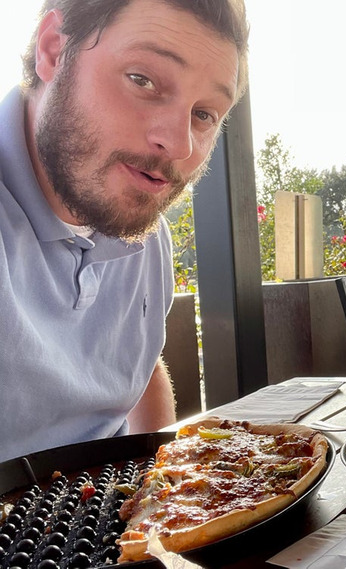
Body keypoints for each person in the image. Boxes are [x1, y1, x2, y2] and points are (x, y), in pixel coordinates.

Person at [0, 0, 249, 462]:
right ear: (53, 50)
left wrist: (163, 484)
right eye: (143, 80)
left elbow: (140, 368)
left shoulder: (144, 234)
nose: (178, 144)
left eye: (204, 114)